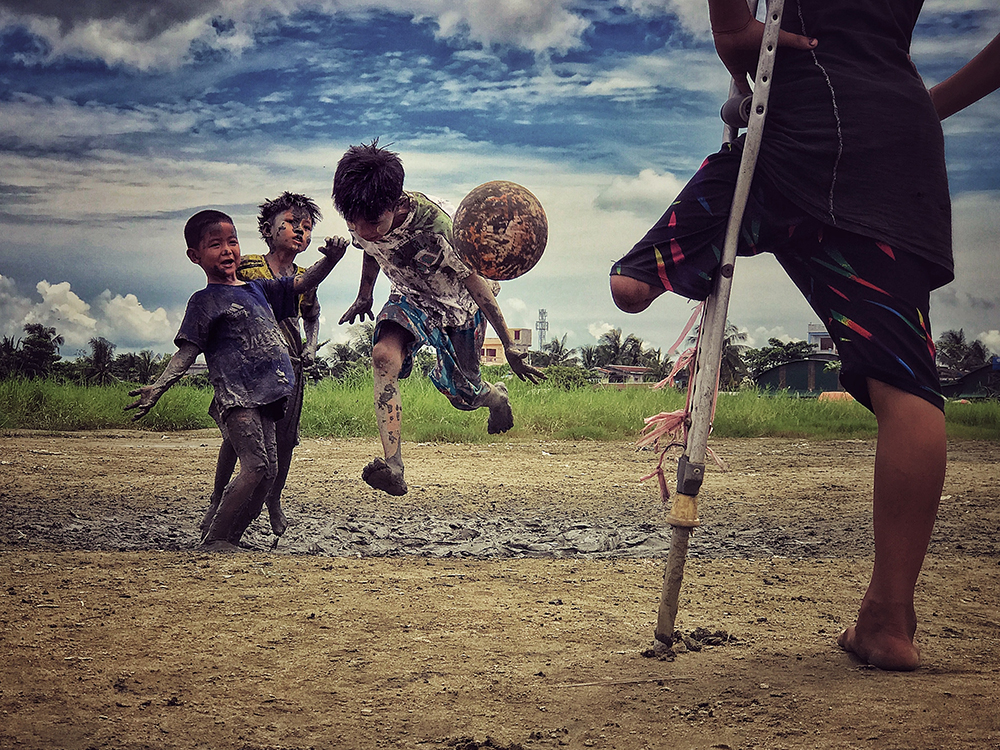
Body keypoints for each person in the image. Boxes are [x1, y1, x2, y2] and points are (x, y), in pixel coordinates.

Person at [610, 1, 999, 671]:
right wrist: (918, 107)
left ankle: (664, 273)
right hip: (901, 143)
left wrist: (733, 30)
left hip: (795, 135)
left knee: (629, 284)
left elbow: (740, 34)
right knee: (906, 381)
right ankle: (887, 619)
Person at [126, 209, 348, 552]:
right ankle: (215, 538)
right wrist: (158, 387)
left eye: (232, 242)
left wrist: (332, 260)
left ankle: (231, 538)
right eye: (216, 245)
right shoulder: (204, 301)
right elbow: (186, 352)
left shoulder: (257, 288)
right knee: (255, 465)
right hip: (238, 397)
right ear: (195, 256)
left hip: (270, 396)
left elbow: (303, 284)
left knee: (269, 471)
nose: (228, 250)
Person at [332, 140, 545, 496]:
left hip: (459, 306)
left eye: (372, 221)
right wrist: (365, 295)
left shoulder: (441, 229)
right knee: (383, 357)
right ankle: (394, 465)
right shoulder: (361, 214)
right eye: (352, 221)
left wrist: (508, 343)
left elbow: (478, 288)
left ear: (397, 204)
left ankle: (496, 398)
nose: (361, 229)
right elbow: (370, 249)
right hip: (410, 295)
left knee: (464, 395)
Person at [200, 192, 326, 542]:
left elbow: (312, 316)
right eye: (291, 224)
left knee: (284, 440)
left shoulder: (305, 276)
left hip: (289, 366)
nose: (300, 232)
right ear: (268, 231)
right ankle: (217, 500)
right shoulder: (248, 266)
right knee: (237, 437)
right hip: (247, 366)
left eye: (307, 227)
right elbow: (220, 299)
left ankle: (274, 500)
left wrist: (312, 346)